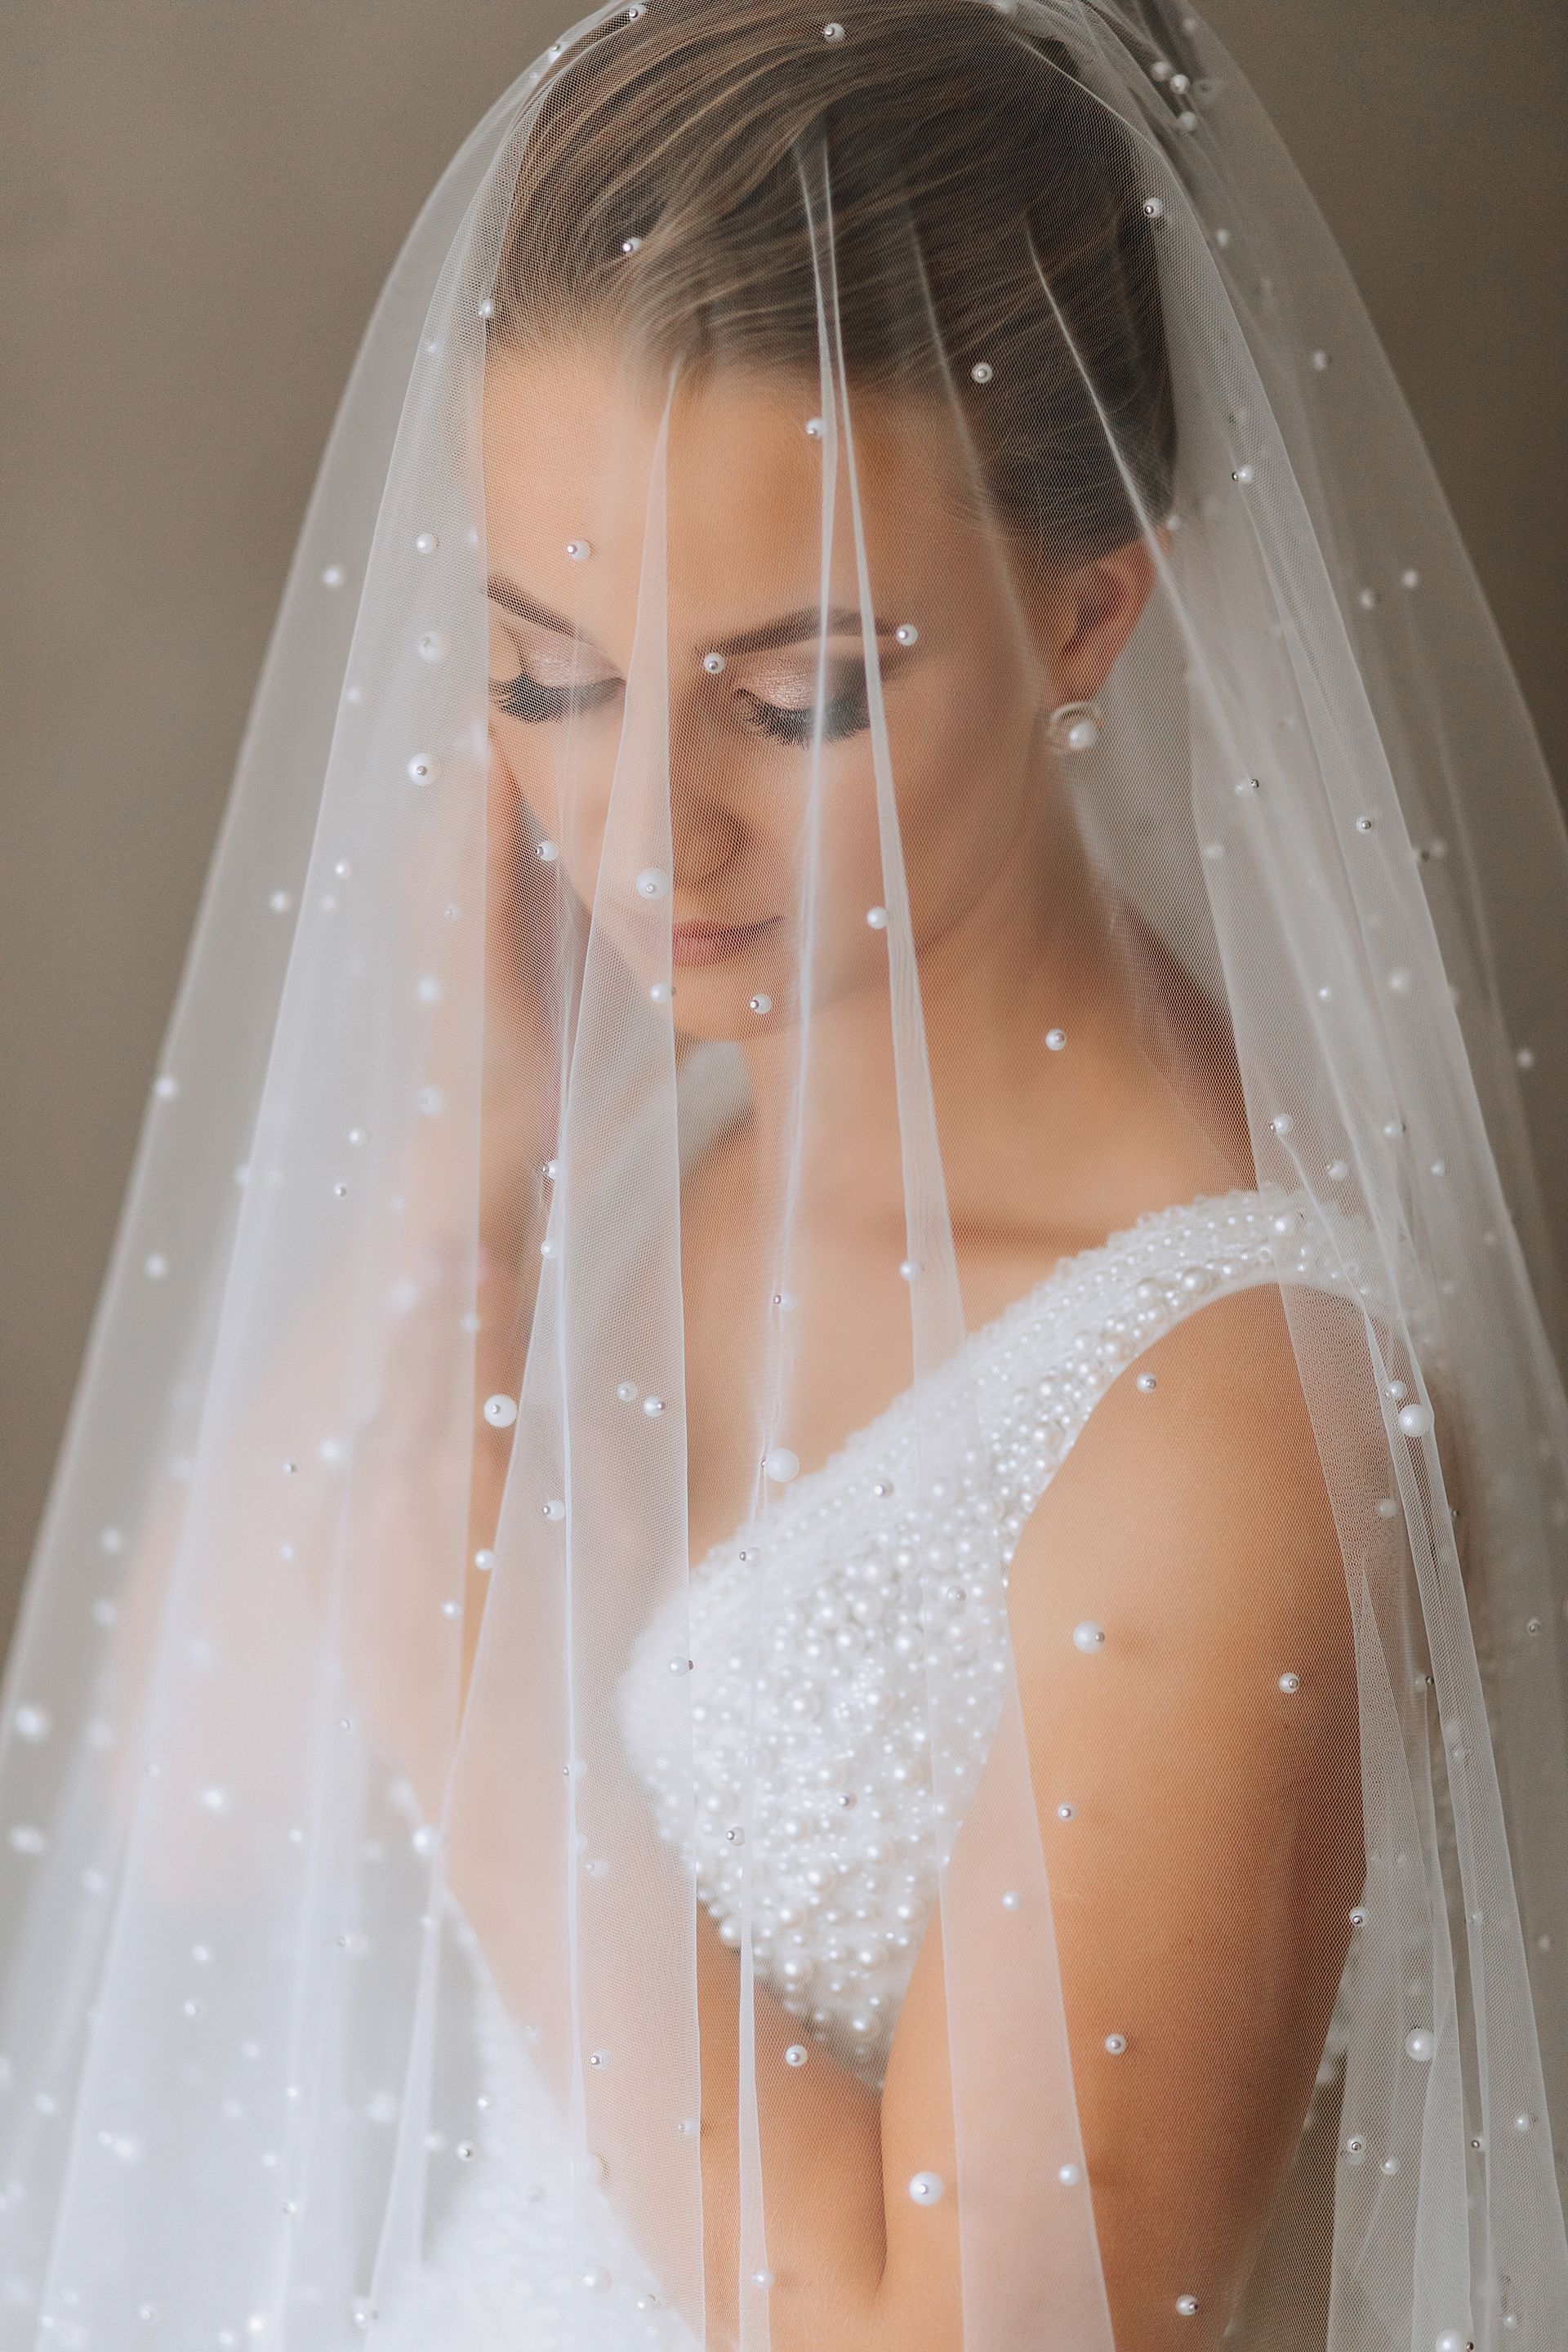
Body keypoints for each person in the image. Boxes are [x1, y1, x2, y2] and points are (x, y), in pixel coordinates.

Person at [2, 3, 1566, 2347]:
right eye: (547, 678)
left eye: (797, 689)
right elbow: (179, 1788)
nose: (645, 833)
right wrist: (472, 1174)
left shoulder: (1236, 1408)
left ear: (1086, 613)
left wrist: (481, 1705)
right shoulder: (653, 1155)